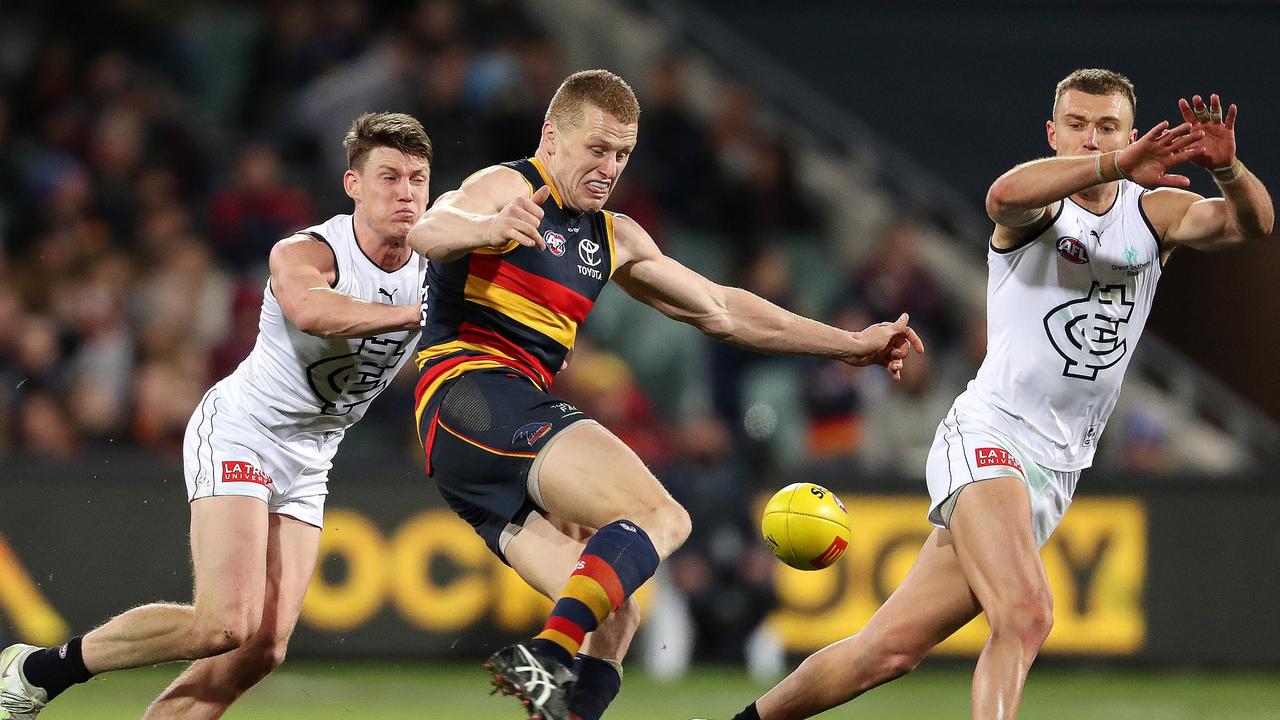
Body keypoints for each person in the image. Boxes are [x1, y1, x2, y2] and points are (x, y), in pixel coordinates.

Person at [713, 68, 1273, 720]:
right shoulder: (1040, 207)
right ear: (1051, 133)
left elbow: (1252, 225)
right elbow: (1002, 195)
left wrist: (1230, 170)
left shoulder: (1153, 216)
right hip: (991, 437)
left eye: (1109, 126)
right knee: (1027, 613)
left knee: (888, 652)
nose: (1092, 138)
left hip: (1055, 471)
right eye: (1078, 125)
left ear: (1133, 129)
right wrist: (1117, 161)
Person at [405, 69, 923, 720]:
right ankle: (549, 653)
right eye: (597, 148)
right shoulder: (511, 188)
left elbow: (725, 310)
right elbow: (429, 230)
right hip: (472, 395)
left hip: (466, 451)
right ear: (552, 137)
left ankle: (563, 699)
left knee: (616, 613)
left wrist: (850, 345)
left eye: (622, 154)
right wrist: (483, 231)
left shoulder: (612, 237)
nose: (609, 167)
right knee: (664, 517)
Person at [0, 112, 433, 719]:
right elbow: (311, 311)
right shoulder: (308, 250)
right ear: (353, 185)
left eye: (418, 178)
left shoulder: (436, 267)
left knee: (262, 648)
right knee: (223, 623)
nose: (407, 192)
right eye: (389, 177)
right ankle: (39, 669)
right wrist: (415, 315)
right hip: (243, 432)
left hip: (312, 457)